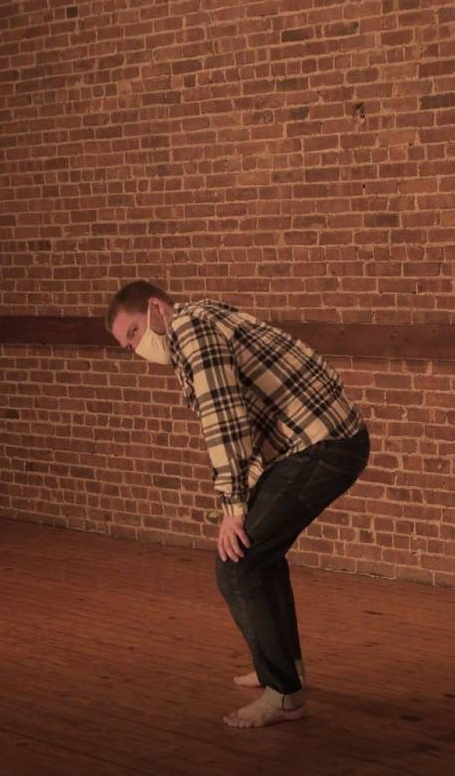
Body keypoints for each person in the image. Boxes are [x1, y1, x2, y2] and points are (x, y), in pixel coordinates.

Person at [105, 280, 370, 728]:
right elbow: (246, 423)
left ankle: (285, 693)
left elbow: (225, 423)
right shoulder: (202, 318)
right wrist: (241, 502)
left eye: (133, 333)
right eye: (127, 345)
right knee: (261, 556)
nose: (135, 349)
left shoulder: (189, 331)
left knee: (237, 564)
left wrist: (234, 510)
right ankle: (284, 667)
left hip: (324, 446)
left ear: (155, 309)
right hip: (323, 443)